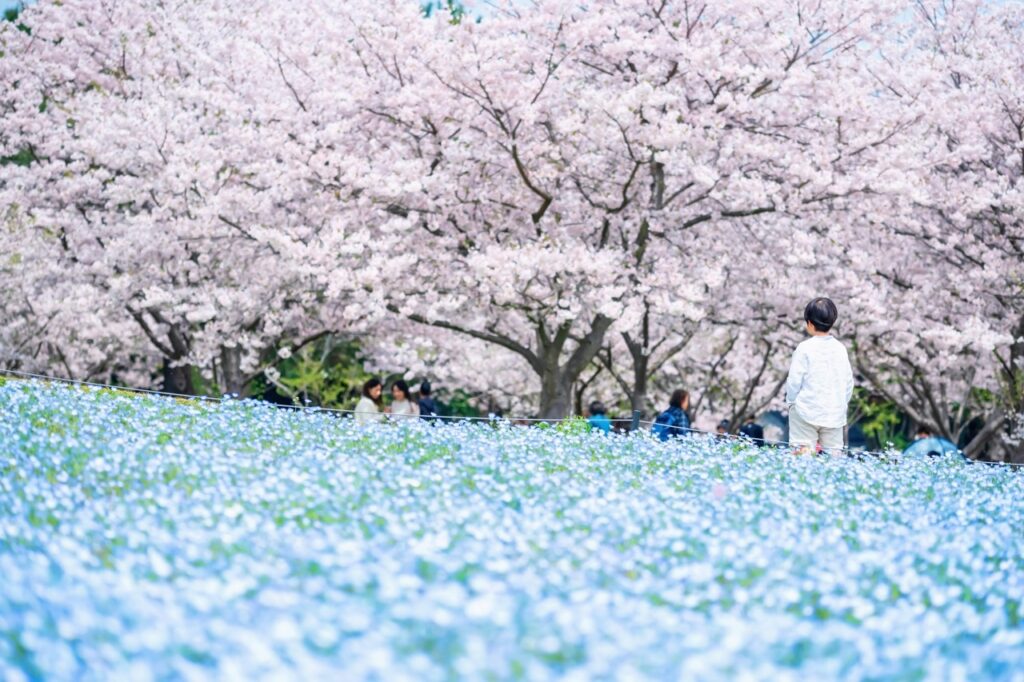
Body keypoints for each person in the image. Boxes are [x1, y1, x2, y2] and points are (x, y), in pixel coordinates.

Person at [785, 297, 854, 454]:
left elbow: (794, 381)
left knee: (802, 457)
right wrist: (842, 403)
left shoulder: (804, 348)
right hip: (834, 413)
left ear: (809, 323)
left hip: (805, 410)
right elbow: (849, 383)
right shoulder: (840, 349)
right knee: (833, 459)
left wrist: (791, 402)